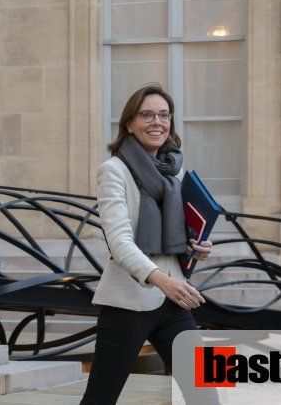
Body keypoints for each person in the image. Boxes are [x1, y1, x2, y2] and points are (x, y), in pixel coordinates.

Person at [81, 83, 214, 404]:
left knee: (205, 394)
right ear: (129, 123)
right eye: (147, 115)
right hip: (128, 303)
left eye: (164, 115)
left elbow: (175, 235)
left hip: (174, 302)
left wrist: (195, 247)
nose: (157, 122)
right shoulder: (114, 171)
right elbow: (119, 242)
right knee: (100, 399)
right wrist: (162, 280)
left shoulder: (175, 174)